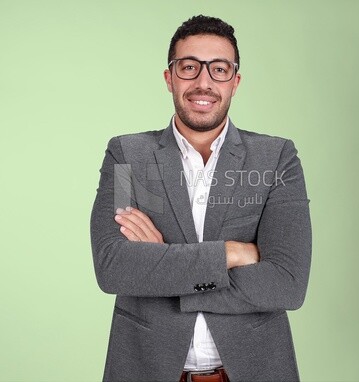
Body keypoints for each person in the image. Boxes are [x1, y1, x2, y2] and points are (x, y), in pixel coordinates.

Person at [90, 15, 312, 382]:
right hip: (146, 370)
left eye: (219, 69)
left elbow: (287, 283)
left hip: (254, 372)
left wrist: (162, 266)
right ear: (169, 78)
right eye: (189, 67)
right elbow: (114, 267)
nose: (203, 82)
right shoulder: (127, 154)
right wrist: (233, 253)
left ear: (235, 82)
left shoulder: (276, 158)